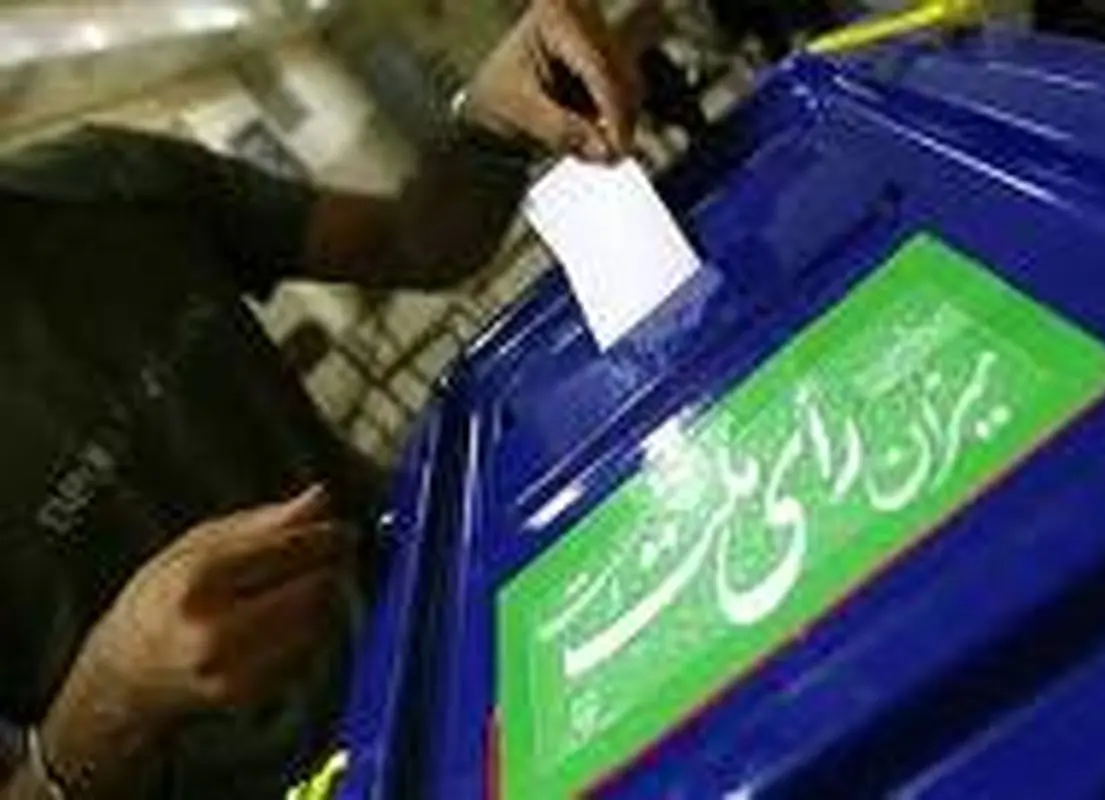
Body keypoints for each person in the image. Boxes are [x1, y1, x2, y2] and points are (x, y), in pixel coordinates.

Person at [0, 1, 640, 798]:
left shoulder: (103, 183)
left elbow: (414, 243)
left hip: (458, 600)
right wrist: (115, 695)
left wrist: (488, 126)